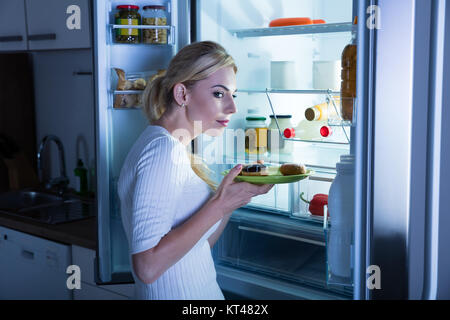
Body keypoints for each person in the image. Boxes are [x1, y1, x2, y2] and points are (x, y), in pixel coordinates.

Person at [118, 41, 273, 300]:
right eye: (218, 94)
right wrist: (220, 205)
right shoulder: (162, 152)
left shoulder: (171, 146)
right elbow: (147, 267)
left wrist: (229, 198)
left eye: (233, 95)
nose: (232, 108)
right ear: (182, 95)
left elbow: (196, 247)